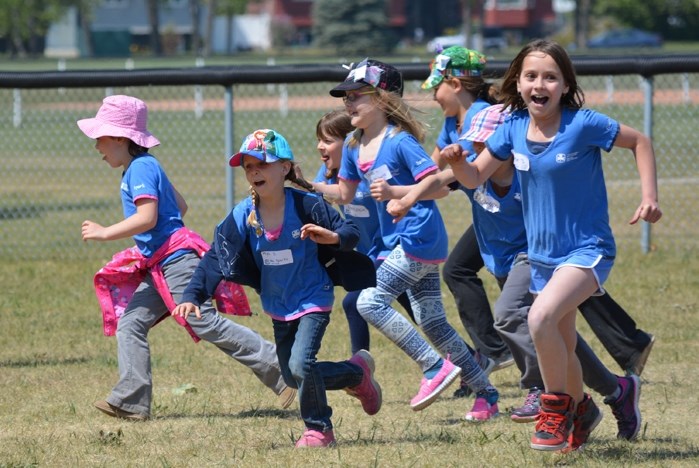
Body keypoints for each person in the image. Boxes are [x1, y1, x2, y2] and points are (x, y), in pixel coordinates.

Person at [441, 39, 661, 451]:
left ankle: (554, 409)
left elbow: (640, 142)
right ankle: (584, 410)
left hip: (586, 249)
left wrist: (649, 197)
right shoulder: (511, 130)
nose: (539, 84)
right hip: (542, 255)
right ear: (518, 83)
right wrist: (457, 162)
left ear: (564, 85)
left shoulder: (583, 124)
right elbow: (473, 178)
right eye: (530, 76)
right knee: (564, 340)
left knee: (539, 317)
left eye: (550, 77)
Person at [77, 96, 295, 421]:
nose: (97, 146)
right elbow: (179, 206)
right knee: (131, 324)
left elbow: (148, 217)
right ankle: (131, 401)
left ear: (122, 138)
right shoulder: (143, 167)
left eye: (101, 138)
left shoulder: (140, 168)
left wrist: (104, 232)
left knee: (201, 320)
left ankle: (282, 371)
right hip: (163, 264)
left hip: (176, 261)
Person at [173, 129, 382, 448]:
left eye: (262, 164)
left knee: (300, 366)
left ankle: (319, 429)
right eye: (248, 167)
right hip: (278, 304)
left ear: (284, 168)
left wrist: (334, 238)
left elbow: (349, 230)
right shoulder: (245, 213)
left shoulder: (307, 205)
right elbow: (217, 254)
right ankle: (355, 375)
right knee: (294, 375)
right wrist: (193, 295)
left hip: (313, 297)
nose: (254, 171)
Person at [317, 58, 499, 420]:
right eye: (345, 97)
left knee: (369, 301)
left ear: (383, 100)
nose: (348, 104)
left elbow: (439, 187)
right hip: (394, 243)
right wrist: (303, 186)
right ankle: (488, 395)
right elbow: (345, 193)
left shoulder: (401, 143)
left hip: (418, 238)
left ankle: (434, 366)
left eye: (357, 96)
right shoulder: (353, 147)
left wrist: (402, 193)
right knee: (432, 321)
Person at [422, 46, 514, 394]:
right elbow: (430, 170)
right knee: (459, 270)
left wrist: (407, 195)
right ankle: (496, 351)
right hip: (489, 216)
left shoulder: (483, 116)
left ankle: (526, 364)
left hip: (511, 219)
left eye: (437, 88)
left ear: (456, 83)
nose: (434, 97)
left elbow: (448, 176)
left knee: (521, 303)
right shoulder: (452, 121)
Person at [299, 110, 415, 355]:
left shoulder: (369, 172)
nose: (320, 146)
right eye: (319, 140)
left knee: (354, 303)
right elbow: (314, 198)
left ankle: (360, 371)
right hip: (371, 256)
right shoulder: (332, 174)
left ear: (350, 142)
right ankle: (471, 359)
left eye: (328, 141)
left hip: (393, 250)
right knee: (421, 313)